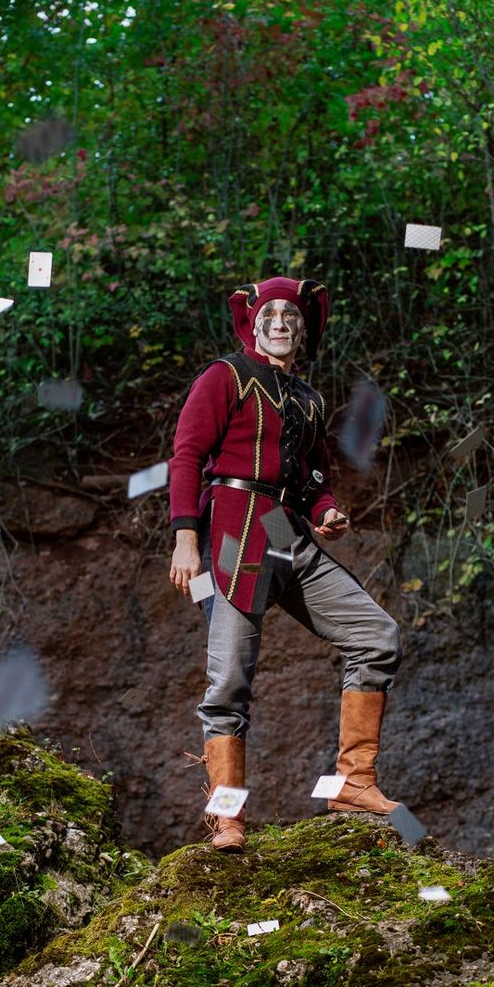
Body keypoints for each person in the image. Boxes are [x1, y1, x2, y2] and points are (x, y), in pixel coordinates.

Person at [169, 276, 402, 852]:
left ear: (303, 327)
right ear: (254, 321)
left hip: (280, 527)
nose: (280, 321)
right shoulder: (223, 376)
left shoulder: (308, 398)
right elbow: (187, 456)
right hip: (230, 527)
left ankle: (352, 783)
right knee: (227, 683)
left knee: (376, 634)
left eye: (291, 315)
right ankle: (226, 818)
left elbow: (312, 480)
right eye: (270, 313)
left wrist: (326, 512)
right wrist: (184, 539)